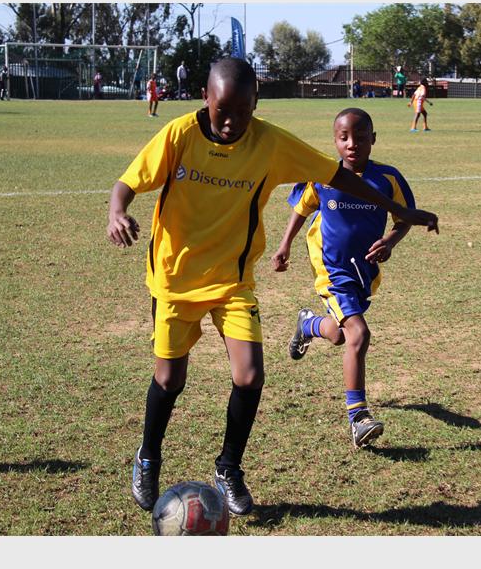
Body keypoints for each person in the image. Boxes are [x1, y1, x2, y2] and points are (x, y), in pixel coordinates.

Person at [106, 58, 438, 517]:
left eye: (243, 112)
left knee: (249, 376)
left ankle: (229, 468)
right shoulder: (179, 135)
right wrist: (117, 212)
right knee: (169, 379)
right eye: (222, 110)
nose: (231, 121)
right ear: (205, 98)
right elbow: (128, 182)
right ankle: (148, 457)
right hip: (174, 279)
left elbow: (337, 176)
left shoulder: (270, 143)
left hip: (232, 281)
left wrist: (400, 212)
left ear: (255, 105)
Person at [271, 108, 417, 449]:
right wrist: (284, 245)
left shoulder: (388, 178)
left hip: (362, 272)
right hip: (331, 270)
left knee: (339, 335)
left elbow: (405, 218)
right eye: (344, 138)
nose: (352, 144)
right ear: (335, 141)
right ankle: (358, 417)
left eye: (360, 138)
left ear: (373, 139)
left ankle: (308, 324)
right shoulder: (323, 176)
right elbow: (301, 209)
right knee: (359, 334)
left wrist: (389, 242)